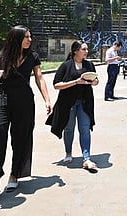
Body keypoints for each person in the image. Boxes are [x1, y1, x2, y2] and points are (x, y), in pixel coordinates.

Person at [0, 26, 51, 205]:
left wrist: (47, 100)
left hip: (24, 102)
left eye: (30, 37)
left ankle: (14, 175)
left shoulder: (32, 57)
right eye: (26, 37)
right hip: (1, 102)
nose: (29, 40)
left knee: (20, 140)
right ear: (16, 38)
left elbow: (39, 77)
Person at [46, 41, 99, 171]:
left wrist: (93, 82)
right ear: (75, 51)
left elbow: (96, 81)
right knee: (69, 129)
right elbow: (56, 85)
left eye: (87, 49)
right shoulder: (66, 65)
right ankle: (68, 153)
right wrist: (76, 82)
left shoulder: (89, 64)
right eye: (84, 49)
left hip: (85, 102)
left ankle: (86, 158)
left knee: (85, 129)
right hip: (68, 103)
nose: (86, 51)